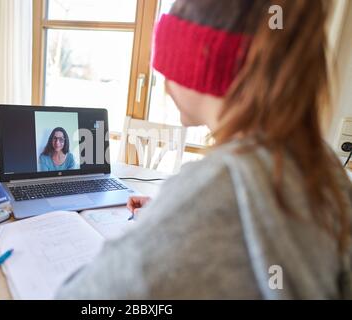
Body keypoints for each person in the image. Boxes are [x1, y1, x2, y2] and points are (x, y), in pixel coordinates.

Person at [56, 0, 352, 299]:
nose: (163, 82)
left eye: (164, 65)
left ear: (198, 62)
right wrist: (171, 216)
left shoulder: (222, 182)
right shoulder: (322, 163)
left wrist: (183, 213)